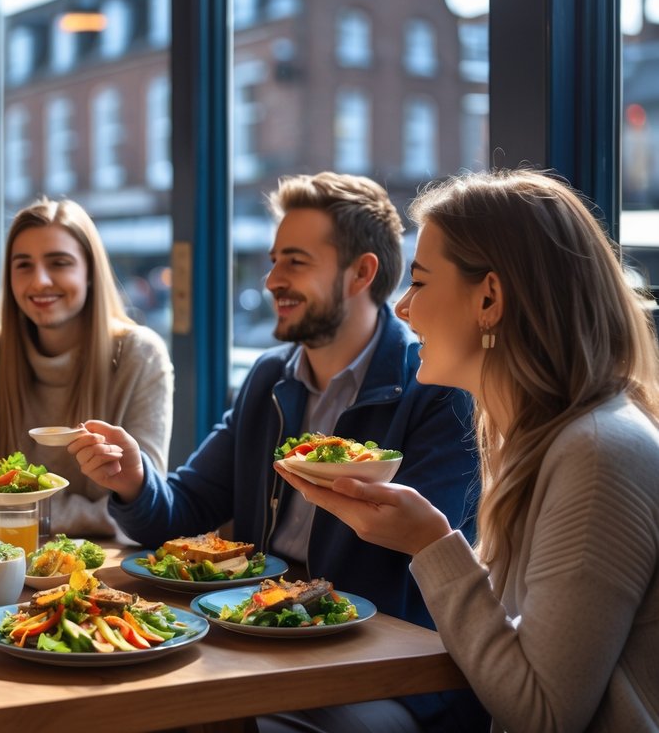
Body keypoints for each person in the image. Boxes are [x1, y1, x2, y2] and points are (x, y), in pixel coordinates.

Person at [72, 172, 484, 731]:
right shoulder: (270, 379)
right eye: (273, 261)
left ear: (361, 272)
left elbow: (426, 567)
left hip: (383, 668)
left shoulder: (435, 389)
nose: (271, 281)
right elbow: (185, 508)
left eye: (295, 262)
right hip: (260, 637)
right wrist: (132, 480)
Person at [274, 171, 659, 732]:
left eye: (421, 283)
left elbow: (543, 714)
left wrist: (429, 545)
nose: (403, 309)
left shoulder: (597, 455)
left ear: (489, 297)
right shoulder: (542, 439)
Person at [0, 197, 172, 536]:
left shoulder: (140, 355)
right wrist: (81, 515)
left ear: (91, 273)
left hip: (103, 570)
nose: (40, 281)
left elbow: (140, 507)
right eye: (24, 265)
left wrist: (9, 510)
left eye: (59, 263)